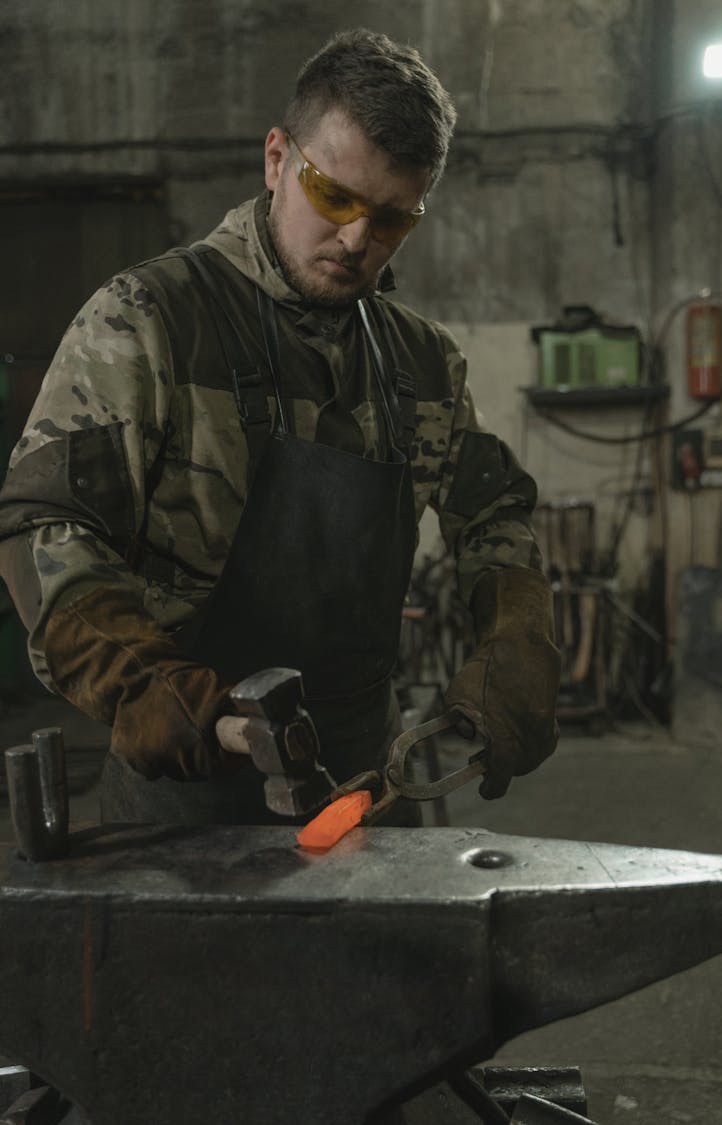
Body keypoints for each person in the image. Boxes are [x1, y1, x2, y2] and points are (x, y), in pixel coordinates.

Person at [0, 28, 560, 825]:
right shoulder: (150, 320)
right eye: (334, 197)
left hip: (367, 790)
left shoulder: (421, 363)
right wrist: (150, 688)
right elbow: (42, 526)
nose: (358, 240)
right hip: (184, 790)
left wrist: (516, 645)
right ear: (276, 160)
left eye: (393, 219)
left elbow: (493, 516)